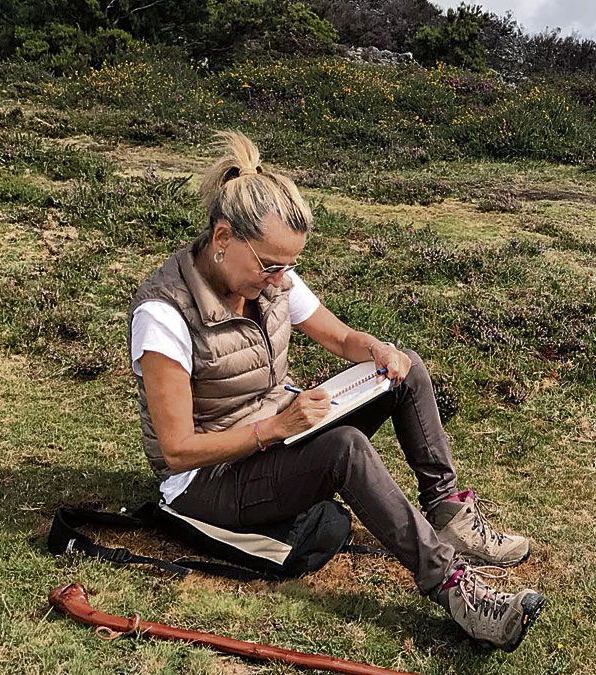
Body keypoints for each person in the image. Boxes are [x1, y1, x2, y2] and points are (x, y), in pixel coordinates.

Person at [127, 130, 545, 651]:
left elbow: (340, 336)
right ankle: (453, 587)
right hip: (206, 482)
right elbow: (176, 451)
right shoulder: (164, 315)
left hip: (274, 435)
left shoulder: (270, 275)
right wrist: (277, 427)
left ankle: (450, 515)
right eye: (271, 266)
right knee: (343, 448)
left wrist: (376, 348)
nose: (282, 281)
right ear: (221, 238)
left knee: (405, 368)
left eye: (289, 267)